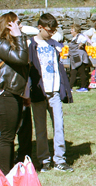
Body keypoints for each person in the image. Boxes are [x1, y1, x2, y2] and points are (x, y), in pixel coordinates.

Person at [0, 12, 29, 175]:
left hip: (12, 92)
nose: (21, 26)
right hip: (5, 93)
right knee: (7, 137)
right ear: (9, 25)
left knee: (9, 136)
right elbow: (22, 59)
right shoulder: (1, 44)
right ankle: (5, 174)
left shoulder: (7, 44)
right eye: (18, 23)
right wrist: (20, 37)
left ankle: (7, 172)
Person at [28, 13, 73, 173]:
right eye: (49, 30)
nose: (52, 33)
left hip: (54, 91)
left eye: (54, 30)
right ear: (40, 27)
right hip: (39, 92)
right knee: (40, 128)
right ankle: (44, 160)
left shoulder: (55, 44)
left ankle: (60, 159)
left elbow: (62, 66)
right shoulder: (31, 44)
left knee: (59, 126)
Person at [67, 24, 91, 93]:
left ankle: (84, 87)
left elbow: (85, 39)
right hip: (74, 57)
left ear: (76, 31)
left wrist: (81, 44)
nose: (71, 31)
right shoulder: (73, 38)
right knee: (73, 72)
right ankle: (70, 87)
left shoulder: (80, 36)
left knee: (81, 72)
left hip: (79, 57)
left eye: (72, 30)